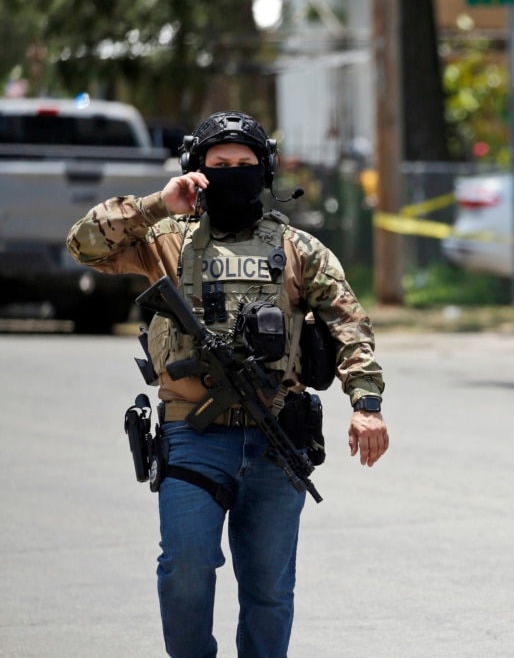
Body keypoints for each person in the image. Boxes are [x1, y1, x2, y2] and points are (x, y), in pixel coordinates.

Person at [66, 110, 389, 657]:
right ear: (197, 170)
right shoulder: (166, 239)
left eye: (245, 164)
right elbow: (83, 244)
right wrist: (155, 204)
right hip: (192, 435)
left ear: (264, 172)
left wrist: (367, 404)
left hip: (276, 437)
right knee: (184, 571)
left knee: (269, 590)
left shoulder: (297, 249)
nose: (234, 173)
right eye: (220, 165)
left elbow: (348, 323)